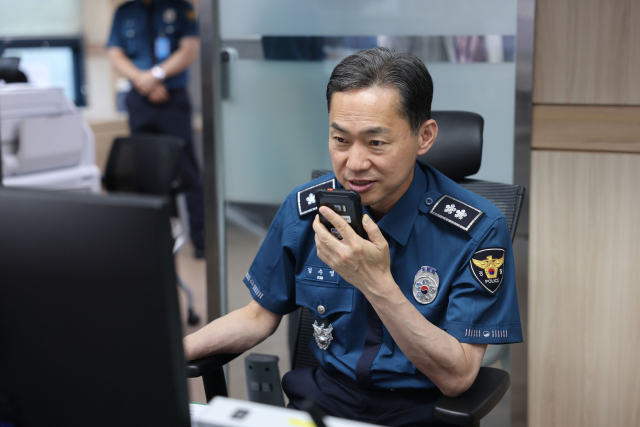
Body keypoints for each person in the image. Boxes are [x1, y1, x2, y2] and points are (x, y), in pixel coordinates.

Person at [184, 47, 522, 426]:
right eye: (341, 140)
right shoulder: (306, 209)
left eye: (376, 143)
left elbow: (457, 377)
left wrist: (375, 281)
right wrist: (171, 350)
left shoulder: (478, 229)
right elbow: (258, 316)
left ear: (424, 136)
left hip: (420, 412)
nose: (354, 164)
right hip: (319, 407)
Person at [107, 0, 205, 257]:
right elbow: (115, 53)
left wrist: (156, 75)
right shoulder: (124, 12)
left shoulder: (180, 8)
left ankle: (202, 241)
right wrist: (142, 80)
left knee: (188, 172)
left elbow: (189, 49)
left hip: (172, 98)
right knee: (146, 174)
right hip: (139, 97)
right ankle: (156, 239)